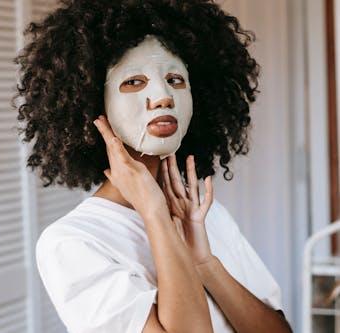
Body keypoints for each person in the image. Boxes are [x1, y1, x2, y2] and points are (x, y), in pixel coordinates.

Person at [15, 0, 293, 332]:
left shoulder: (206, 215)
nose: (163, 97)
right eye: (133, 82)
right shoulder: (72, 242)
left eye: (175, 79)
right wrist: (154, 213)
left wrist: (205, 263)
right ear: (90, 103)